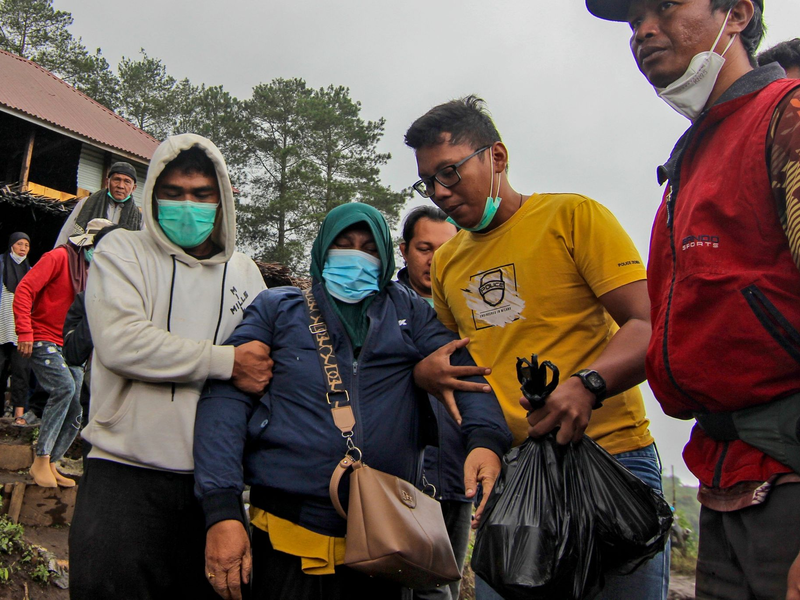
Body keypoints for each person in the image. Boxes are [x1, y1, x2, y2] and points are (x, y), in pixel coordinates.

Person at [405, 96, 666, 600]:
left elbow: (650, 322)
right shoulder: (450, 263)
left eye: (451, 172)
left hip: (612, 461)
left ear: (497, 157)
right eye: (428, 181)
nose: (440, 192)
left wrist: (588, 385)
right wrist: (425, 375)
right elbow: (458, 363)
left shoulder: (573, 218)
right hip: (515, 478)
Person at [586, 0, 800, 598]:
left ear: (736, 13)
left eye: (664, 6)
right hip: (726, 481)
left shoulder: (787, 119)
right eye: (633, 20)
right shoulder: (692, 158)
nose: (644, 30)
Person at [193, 202, 512, 600]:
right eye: (343, 244)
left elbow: (463, 372)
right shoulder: (277, 309)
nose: (356, 255)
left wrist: (485, 439)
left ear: (384, 256)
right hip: (285, 538)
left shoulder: (409, 311)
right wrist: (221, 509)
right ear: (322, 249)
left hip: (384, 545)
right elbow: (224, 400)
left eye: (369, 247)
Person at [68, 134, 273, 600]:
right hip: (124, 475)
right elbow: (122, 343)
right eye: (174, 193)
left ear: (222, 201)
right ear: (153, 196)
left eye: (202, 195)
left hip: (213, 489)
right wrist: (227, 361)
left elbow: (261, 367)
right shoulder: (124, 252)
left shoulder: (246, 274)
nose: (188, 205)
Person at [397, 206, 467, 600]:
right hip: (395, 482)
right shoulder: (381, 309)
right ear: (404, 250)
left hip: (457, 478)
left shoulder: (470, 313)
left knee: (441, 590)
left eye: (447, 248)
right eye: (425, 248)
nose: (436, 259)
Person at [13, 219, 110, 487]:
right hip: (43, 336)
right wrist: (24, 330)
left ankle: (53, 461)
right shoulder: (58, 257)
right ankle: (40, 458)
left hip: (69, 346)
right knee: (65, 388)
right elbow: (24, 289)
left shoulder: (95, 272)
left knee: (78, 401)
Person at [54, 161, 143, 248]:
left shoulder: (139, 218)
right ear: (107, 182)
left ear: (133, 188)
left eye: (127, 182)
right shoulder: (86, 203)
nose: (121, 186)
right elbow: (66, 233)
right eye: (117, 179)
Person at [0, 232, 32, 425]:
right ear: (11, 245)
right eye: (19, 244)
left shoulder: (31, 271)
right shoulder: (1, 264)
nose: (23, 248)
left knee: (21, 372)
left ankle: (19, 414)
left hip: (21, 331)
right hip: (2, 327)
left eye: (27, 245)